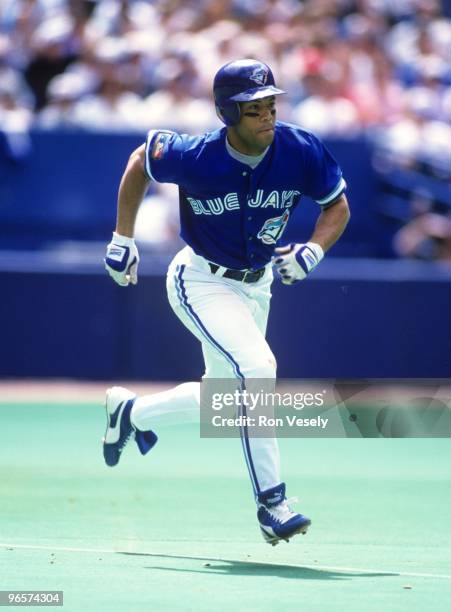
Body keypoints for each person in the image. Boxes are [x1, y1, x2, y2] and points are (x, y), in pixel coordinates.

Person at [102, 59, 350, 546]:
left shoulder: (300, 149)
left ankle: (130, 413)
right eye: (252, 109)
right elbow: (139, 163)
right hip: (200, 280)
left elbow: (336, 205)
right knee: (258, 367)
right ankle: (272, 503)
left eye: (270, 105)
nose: (267, 116)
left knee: (224, 404)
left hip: (257, 285)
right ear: (226, 113)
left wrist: (313, 251)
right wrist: (121, 238)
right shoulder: (196, 155)